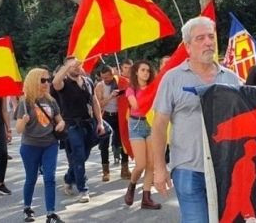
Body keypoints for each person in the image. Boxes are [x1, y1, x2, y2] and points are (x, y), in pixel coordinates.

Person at [152, 16, 241, 223]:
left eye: (211, 37)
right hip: (187, 168)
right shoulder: (172, 78)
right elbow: (158, 126)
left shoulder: (231, 78)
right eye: (200, 38)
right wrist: (159, 168)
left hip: (224, 169)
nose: (208, 42)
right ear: (187, 46)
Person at [16, 68, 65, 223]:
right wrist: (23, 121)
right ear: (33, 81)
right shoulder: (25, 102)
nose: (46, 83)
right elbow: (18, 130)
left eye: (48, 80)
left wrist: (61, 124)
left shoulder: (51, 101)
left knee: (50, 178)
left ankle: (51, 213)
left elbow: (60, 119)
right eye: (42, 80)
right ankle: (27, 208)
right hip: (30, 146)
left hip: (50, 144)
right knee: (31, 178)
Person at [52, 56, 104, 203]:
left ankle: (69, 177)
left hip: (88, 123)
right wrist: (67, 67)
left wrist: (99, 122)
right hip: (71, 125)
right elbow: (55, 82)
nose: (76, 67)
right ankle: (83, 189)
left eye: (77, 64)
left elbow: (94, 101)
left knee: (82, 155)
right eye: (72, 65)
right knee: (79, 155)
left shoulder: (87, 81)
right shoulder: (63, 83)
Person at [123, 60, 161, 210]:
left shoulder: (153, 88)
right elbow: (136, 105)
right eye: (143, 70)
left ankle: (146, 198)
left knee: (151, 164)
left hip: (151, 124)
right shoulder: (131, 89)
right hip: (136, 125)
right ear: (136, 72)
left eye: (148, 70)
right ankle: (132, 186)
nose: (146, 73)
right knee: (140, 164)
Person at [95, 65, 130, 182]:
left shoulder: (121, 82)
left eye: (107, 77)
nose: (105, 80)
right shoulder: (100, 86)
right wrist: (110, 96)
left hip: (120, 116)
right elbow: (98, 105)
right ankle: (106, 171)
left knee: (123, 141)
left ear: (112, 74)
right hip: (106, 116)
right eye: (103, 77)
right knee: (104, 143)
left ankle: (125, 168)